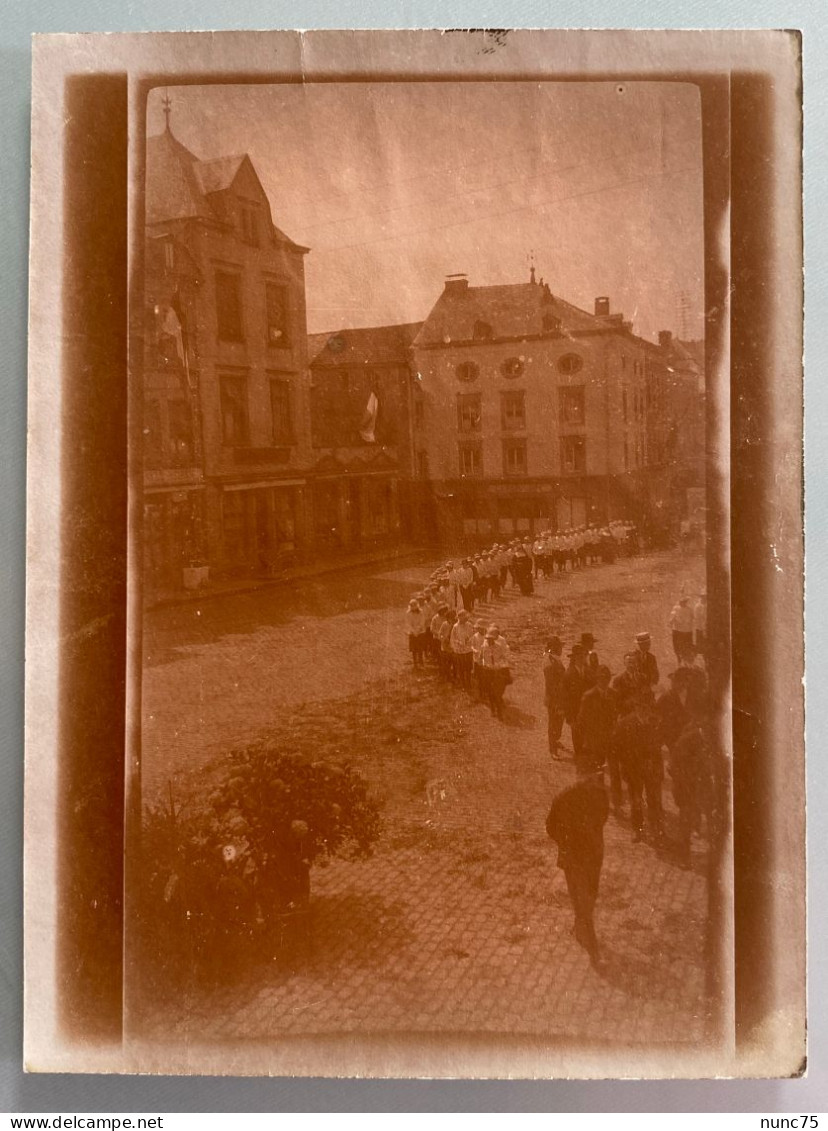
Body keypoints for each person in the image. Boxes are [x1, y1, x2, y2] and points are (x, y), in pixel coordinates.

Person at [546, 765, 609, 963]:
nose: (596, 781)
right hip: (574, 857)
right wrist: (566, 842)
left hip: (594, 855)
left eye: (598, 776)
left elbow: (603, 818)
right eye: (591, 777)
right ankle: (594, 950)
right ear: (580, 777)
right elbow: (550, 826)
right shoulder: (565, 798)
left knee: (591, 893)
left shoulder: (600, 795)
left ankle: (579, 925)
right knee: (584, 901)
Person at [612, 693, 665, 843]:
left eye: (647, 708)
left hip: (651, 770)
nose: (644, 711)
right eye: (641, 707)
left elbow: (658, 749)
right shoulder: (625, 724)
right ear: (636, 707)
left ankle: (656, 830)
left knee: (654, 801)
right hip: (633, 770)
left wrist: (658, 771)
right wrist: (624, 767)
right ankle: (638, 830)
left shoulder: (655, 724)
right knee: (636, 800)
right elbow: (617, 747)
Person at [576, 664, 617, 773]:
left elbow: (615, 715)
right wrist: (586, 739)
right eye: (602, 678)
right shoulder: (589, 696)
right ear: (597, 679)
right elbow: (581, 720)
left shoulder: (613, 694)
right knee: (593, 767)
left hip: (606, 737)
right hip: (592, 738)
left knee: (602, 764)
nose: (605, 681)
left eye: (607, 678)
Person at [564, 643, 590, 760]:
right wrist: (569, 716)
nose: (581, 658)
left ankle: (584, 750)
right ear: (573, 658)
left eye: (583, 656)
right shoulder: (569, 674)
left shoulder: (587, 671)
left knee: (585, 730)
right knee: (576, 731)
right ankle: (578, 753)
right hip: (574, 709)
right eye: (578, 656)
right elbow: (566, 698)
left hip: (586, 708)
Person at [543, 636, 567, 759]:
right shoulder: (549, 661)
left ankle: (555, 741)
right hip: (554, 698)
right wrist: (558, 699)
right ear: (553, 647)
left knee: (558, 721)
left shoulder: (554, 659)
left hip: (558, 697)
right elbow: (552, 684)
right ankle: (553, 749)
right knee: (554, 723)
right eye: (559, 647)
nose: (561, 649)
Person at [481, 624, 511, 719]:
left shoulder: (498, 647)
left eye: (491, 639)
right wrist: (484, 664)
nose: (489, 641)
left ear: (494, 639)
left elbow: (503, 657)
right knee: (490, 692)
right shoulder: (484, 647)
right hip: (488, 671)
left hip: (497, 671)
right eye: (488, 639)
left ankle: (499, 711)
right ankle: (493, 709)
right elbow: (481, 658)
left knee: (497, 692)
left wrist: (499, 665)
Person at [450, 609, 474, 690]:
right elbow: (452, 639)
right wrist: (458, 643)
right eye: (461, 618)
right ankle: (463, 684)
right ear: (458, 618)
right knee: (461, 668)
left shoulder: (469, 625)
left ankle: (469, 683)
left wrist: (468, 640)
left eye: (464, 618)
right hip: (459, 651)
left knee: (468, 668)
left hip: (468, 650)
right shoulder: (455, 627)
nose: (463, 619)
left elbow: (472, 636)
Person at [669, 595, 695, 662]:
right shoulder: (676, 609)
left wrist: (689, 622)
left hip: (687, 631)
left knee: (687, 646)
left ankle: (686, 659)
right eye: (682, 602)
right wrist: (672, 622)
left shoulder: (689, 610)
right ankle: (680, 658)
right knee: (678, 647)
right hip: (678, 631)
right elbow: (671, 619)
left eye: (684, 602)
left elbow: (693, 618)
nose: (683, 603)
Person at [404, 598, 426, 669]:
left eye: (414, 605)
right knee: (414, 649)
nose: (413, 607)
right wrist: (413, 631)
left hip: (420, 632)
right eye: (412, 605)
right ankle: (415, 663)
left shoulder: (421, 612)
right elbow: (408, 623)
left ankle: (421, 661)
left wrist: (418, 629)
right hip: (412, 633)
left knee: (420, 648)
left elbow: (422, 622)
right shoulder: (408, 613)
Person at [471, 618, 488, 699]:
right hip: (477, 659)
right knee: (478, 677)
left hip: (485, 659)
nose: (480, 630)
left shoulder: (487, 637)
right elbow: (472, 645)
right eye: (479, 628)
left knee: (485, 677)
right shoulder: (475, 636)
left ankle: (485, 691)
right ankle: (480, 692)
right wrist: (475, 650)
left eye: (482, 628)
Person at [694, 592, 707, 657]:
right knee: (700, 638)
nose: (704, 598)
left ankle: (705, 651)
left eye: (705, 597)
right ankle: (700, 651)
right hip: (699, 625)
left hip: (706, 625)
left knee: (705, 639)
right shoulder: (698, 606)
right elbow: (696, 616)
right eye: (703, 597)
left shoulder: (707, 605)